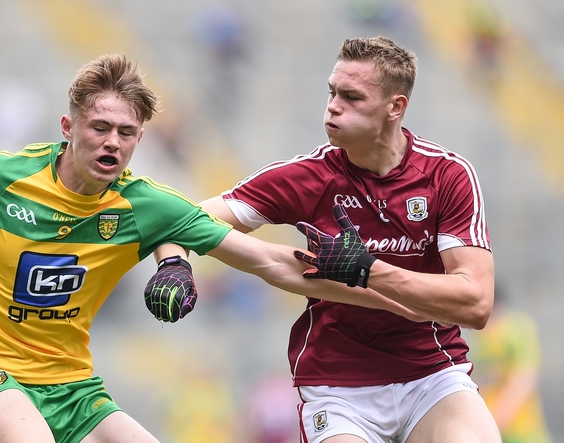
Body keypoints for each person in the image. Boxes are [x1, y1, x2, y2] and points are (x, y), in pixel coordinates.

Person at [0, 53, 425, 443]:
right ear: (69, 125)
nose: (112, 142)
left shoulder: (146, 206)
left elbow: (275, 263)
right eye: (100, 126)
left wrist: (393, 291)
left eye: (126, 133)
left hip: (73, 387)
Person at [152, 36, 500, 442]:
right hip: (338, 386)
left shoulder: (447, 176)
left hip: (431, 374)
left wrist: (369, 271)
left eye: (352, 97)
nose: (334, 106)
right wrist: (173, 262)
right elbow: (183, 220)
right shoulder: (308, 177)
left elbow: (476, 304)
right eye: (332, 92)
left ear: (395, 107)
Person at [464, 286, 553, 443]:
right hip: (489, 430)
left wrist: (491, 426)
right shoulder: (478, 337)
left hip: (520, 433)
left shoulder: (515, 328)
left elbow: (523, 380)